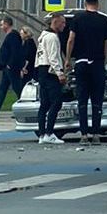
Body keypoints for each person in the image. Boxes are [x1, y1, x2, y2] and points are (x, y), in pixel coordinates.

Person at [65, 0, 107, 143]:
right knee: (97, 100)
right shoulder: (104, 20)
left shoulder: (77, 19)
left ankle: (83, 135)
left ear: (85, 3)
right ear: (97, 4)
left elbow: (71, 39)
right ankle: (95, 134)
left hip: (81, 62)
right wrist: (104, 60)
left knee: (82, 99)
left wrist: (68, 59)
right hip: (97, 64)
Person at [35, 13, 67, 144]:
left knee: (44, 104)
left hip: (41, 70)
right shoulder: (53, 37)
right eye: (62, 23)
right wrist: (60, 73)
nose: (64, 25)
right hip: (50, 71)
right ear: (55, 22)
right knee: (56, 102)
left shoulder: (42, 37)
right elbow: (53, 57)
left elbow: (39, 56)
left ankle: (42, 134)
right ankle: (49, 132)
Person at [0, 17, 24, 118]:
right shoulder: (10, 36)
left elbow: (15, 52)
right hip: (6, 68)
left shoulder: (13, 36)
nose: (1, 27)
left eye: (2, 25)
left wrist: (10, 64)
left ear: (7, 24)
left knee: (17, 88)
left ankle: (23, 109)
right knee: (3, 88)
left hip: (11, 67)